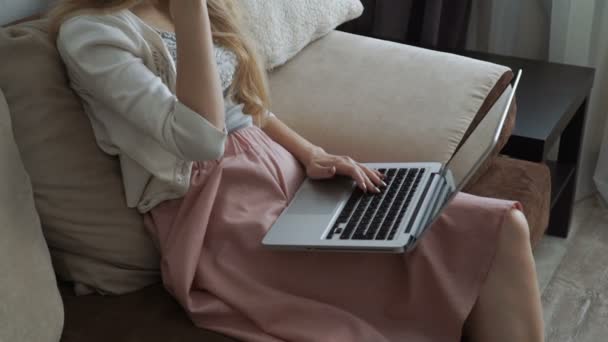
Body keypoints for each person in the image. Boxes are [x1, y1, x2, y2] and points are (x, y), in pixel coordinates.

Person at [50, 0, 544, 341]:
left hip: (283, 176)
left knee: (501, 226)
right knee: (476, 239)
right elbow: (203, 138)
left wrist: (311, 153)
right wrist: (191, 7)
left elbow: (242, 103)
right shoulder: (94, 34)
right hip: (217, 215)